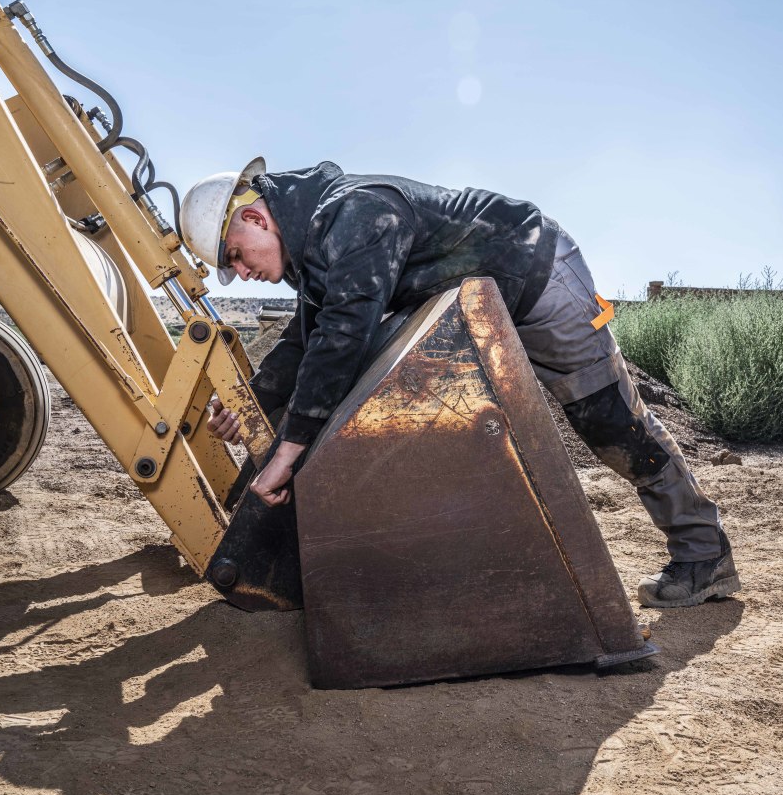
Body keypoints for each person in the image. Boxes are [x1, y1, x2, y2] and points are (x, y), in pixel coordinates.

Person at [178, 158, 739, 609]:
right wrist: (251, 401)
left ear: (255, 219)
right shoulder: (317, 250)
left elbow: (344, 334)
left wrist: (285, 455)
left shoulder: (356, 211)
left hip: (537, 278)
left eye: (236, 257)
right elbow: (307, 338)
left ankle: (702, 554)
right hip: (484, 309)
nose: (242, 272)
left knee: (610, 421)